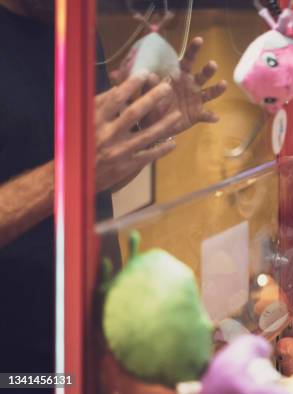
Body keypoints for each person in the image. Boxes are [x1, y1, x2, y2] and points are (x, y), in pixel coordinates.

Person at [0, 0, 227, 379]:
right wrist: (71, 170)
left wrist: (148, 130)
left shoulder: (78, 33)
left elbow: (93, 180)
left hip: (89, 343)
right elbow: (71, 173)